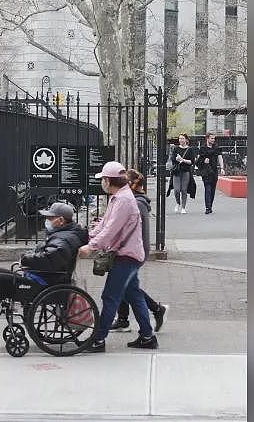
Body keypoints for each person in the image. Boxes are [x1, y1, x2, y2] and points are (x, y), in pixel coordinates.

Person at [0, 202, 87, 339]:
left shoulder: (64, 239)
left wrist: (26, 259)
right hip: (48, 279)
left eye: (51, 218)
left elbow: (48, 259)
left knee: (0, 280)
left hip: (46, 283)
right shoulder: (65, 234)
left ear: (61, 220)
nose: (47, 221)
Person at [78, 161, 157, 352]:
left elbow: (111, 230)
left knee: (110, 296)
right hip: (129, 254)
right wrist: (89, 235)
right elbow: (105, 224)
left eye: (103, 179)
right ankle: (147, 337)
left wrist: (91, 246)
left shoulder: (123, 200)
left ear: (108, 180)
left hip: (126, 256)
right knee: (133, 294)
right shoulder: (118, 197)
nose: (102, 183)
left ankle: (98, 340)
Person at [111, 169, 169, 333]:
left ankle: (155, 311)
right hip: (130, 249)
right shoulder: (136, 201)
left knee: (126, 285)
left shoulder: (136, 203)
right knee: (125, 285)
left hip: (133, 251)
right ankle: (124, 319)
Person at [195, 132, 226, 214]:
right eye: (212, 138)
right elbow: (198, 161)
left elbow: (220, 158)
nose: (213, 140)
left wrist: (222, 168)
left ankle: (210, 206)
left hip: (214, 171)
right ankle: (207, 207)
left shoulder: (216, 148)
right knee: (207, 189)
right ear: (207, 139)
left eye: (214, 138)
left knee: (212, 190)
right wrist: (204, 161)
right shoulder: (203, 148)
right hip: (206, 171)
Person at [168, 133, 196, 214]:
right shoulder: (176, 149)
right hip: (176, 172)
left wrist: (182, 160)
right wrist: (177, 159)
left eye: (182, 138)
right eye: (179, 138)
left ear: (186, 140)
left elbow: (192, 161)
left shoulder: (190, 149)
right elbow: (173, 159)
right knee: (176, 190)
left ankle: (183, 207)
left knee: (184, 190)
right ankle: (178, 203)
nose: (180, 140)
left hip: (186, 171)